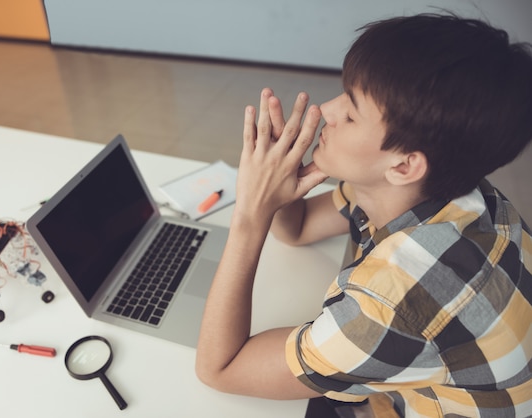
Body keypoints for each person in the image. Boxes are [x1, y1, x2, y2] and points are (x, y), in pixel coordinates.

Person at [195, 13, 532, 417]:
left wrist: (249, 215)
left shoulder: (391, 303)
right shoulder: (459, 191)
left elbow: (220, 368)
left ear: (405, 166)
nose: (327, 110)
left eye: (351, 114)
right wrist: (278, 187)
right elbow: (299, 228)